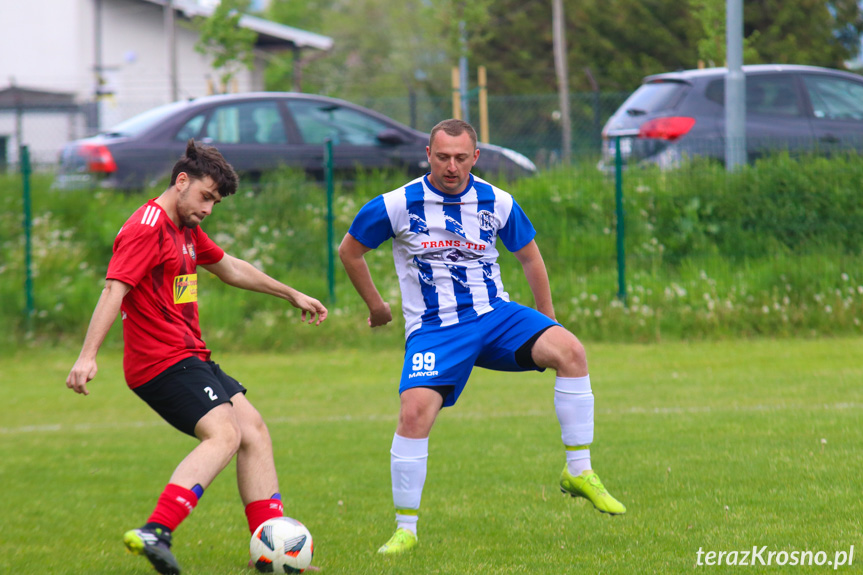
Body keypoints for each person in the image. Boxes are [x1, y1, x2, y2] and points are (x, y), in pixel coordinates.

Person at [338, 119, 625, 555]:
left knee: (571, 351)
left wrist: (547, 319)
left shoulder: (497, 200)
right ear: (428, 156)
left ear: (476, 157)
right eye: (442, 157)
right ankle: (406, 529)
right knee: (415, 413)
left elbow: (529, 256)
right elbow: (350, 249)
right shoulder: (397, 204)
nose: (451, 166)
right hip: (435, 327)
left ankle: (579, 470)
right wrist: (377, 306)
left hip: (495, 315)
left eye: (460, 157)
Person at [66, 139, 328, 575]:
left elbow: (229, 267)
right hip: (160, 361)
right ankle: (157, 530)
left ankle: (269, 548)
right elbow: (115, 288)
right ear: (181, 181)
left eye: (215, 202)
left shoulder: (183, 227)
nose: (208, 208)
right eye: (206, 196)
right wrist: (87, 356)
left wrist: (291, 292)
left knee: (253, 430)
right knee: (224, 434)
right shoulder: (147, 226)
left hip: (189, 354)